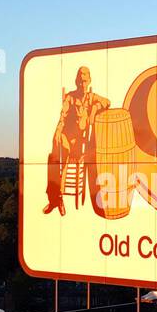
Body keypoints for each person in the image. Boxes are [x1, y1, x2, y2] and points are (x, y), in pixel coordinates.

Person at [44, 66, 110, 215]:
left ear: (89, 81)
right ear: (76, 81)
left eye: (85, 81)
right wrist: (58, 132)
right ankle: (55, 199)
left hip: (80, 145)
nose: (82, 84)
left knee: (61, 158)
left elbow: (107, 102)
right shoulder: (70, 97)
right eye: (80, 81)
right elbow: (63, 116)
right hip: (66, 138)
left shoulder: (92, 98)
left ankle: (56, 199)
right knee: (54, 155)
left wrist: (94, 109)